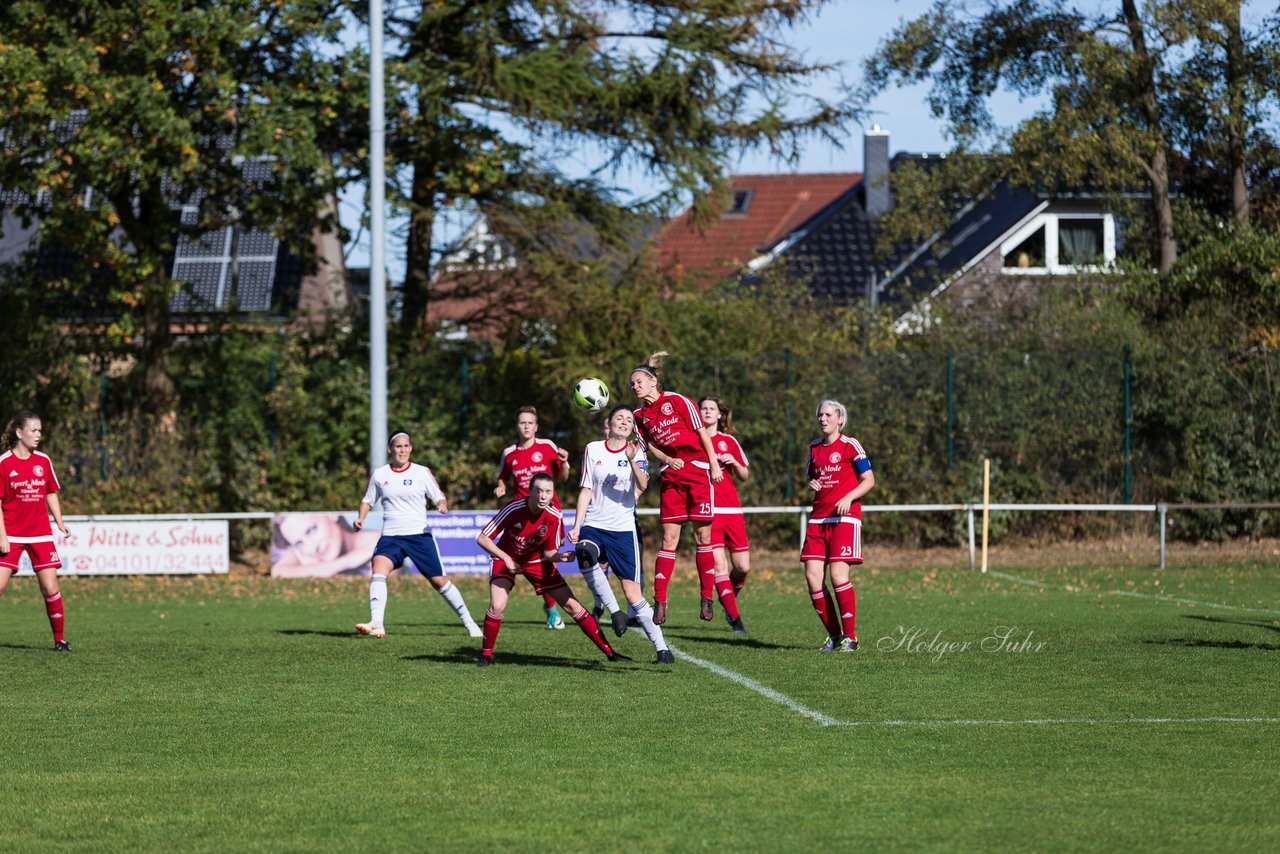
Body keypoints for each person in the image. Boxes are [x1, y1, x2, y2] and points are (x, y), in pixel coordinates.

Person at [629, 352, 744, 632]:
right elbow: (648, 447)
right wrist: (667, 460)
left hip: (698, 471)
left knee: (703, 536)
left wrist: (715, 464)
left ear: (653, 381)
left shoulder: (677, 401)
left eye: (639, 381)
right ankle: (660, 602)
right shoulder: (638, 416)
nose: (635, 386)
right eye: (631, 384)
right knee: (669, 539)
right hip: (671, 477)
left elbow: (702, 432)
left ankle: (706, 598)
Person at [475, 473, 630, 666]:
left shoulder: (554, 516)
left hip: (535, 561)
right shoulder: (514, 508)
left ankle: (610, 652)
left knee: (573, 606)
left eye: (548, 491)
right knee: (497, 606)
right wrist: (506, 558)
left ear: (552, 494)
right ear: (530, 492)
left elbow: (549, 553)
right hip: (505, 558)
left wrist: (561, 557)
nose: (543, 496)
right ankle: (486, 656)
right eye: (539, 491)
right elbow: (482, 538)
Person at [567, 405, 674, 664]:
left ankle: (662, 649)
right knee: (584, 552)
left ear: (632, 428)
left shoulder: (637, 451)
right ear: (610, 423)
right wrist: (577, 524)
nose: (624, 422)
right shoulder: (593, 449)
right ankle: (615, 612)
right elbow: (585, 489)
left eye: (628, 419)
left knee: (633, 594)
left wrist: (630, 459)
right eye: (619, 418)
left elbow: (643, 484)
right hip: (594, 523)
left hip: (623, 529)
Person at [352, 431, 482, 639]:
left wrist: (441, 504)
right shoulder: (381, 474)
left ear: (410, 448)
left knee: (439, 582)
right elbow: (367, 500)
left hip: (418, 535)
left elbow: (438, 496)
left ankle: (469, 623)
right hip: (391, 536)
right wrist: (361, 518)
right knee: (378, 568)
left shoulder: (421, 472)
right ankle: (377, 623)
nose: (402, 450)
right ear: (390, 449)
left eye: (405, 446)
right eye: (398, 446)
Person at [801, 400, 875, 652]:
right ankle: (834, 636)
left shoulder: (850, 445)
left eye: (828, 415)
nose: (823, 419)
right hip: (818, 519)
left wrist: (849, 497)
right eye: (820, 414)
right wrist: (811, 483)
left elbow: (869, 480)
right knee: (812, 578)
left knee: (837, 575)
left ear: (840, 419)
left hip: (845, 518)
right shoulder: (813, 447)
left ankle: (850, 637)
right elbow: (810, 475)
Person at [494, 406, 572, 630]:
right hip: (522, 520)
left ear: (536, 427)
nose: (526, 426)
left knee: (547, 560)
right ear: (517, 426)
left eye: (530, 422)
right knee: (527, 563)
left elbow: (563, 476)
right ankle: (551, 609)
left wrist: (565, 462)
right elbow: (502, 478)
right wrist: (500, 487)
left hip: (548, 517)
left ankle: (551, 608)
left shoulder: (547, 447)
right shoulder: (509, 454)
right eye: (522, 422)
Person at [0, 412, 72, 651]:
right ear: (19, 433)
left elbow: (50, 492)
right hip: (11, 534)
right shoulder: (4, 463)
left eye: (40, 431)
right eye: (34, 430)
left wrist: (59, 522)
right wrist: (2, 536)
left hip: (40, 534)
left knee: (51, 588)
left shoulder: (43, 461)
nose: (39, 435)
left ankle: (59, 640)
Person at [699, 396, 752, 627]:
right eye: (704, 408)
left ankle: (726, 597)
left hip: (731, 511)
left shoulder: (728, 441)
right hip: (707, 513)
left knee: (742, 567)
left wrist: (735, 463)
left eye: (712, 408)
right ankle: (735, 618)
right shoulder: (694, 441)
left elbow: (744, 476)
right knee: (719, 566)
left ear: (720, 414)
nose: (708, 411)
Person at [270, 514, 380, 577]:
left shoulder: (384, 542)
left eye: (312, 530)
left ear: (331, 514)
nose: (312, 548)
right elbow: (279, 572)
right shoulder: (303, 552)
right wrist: (347, 561)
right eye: (300, 543)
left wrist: (314, 569)